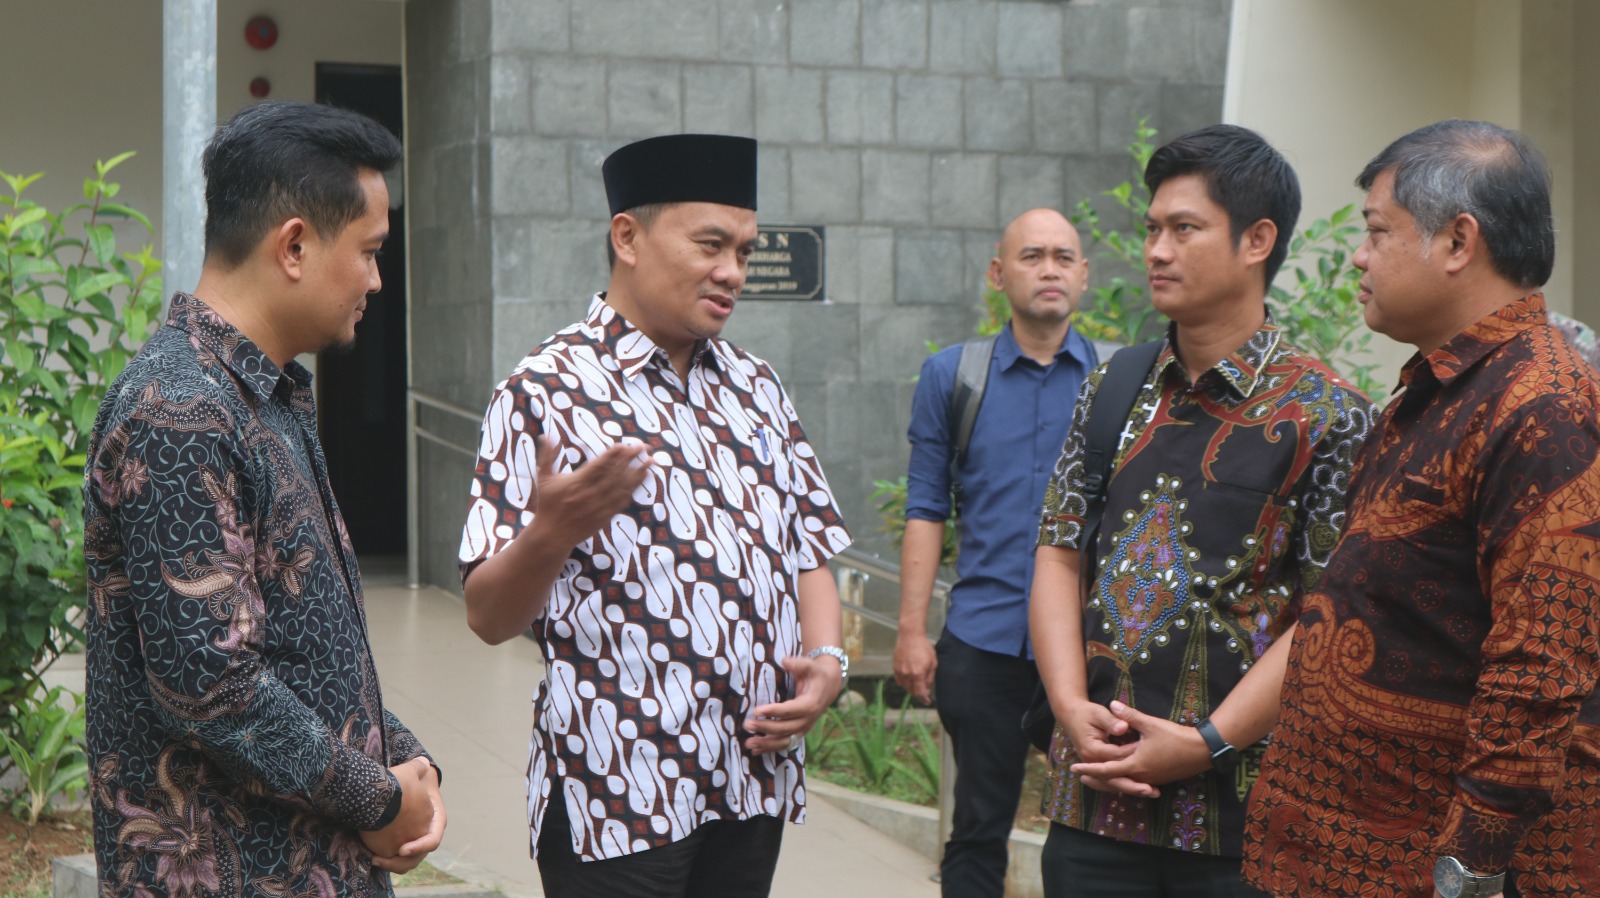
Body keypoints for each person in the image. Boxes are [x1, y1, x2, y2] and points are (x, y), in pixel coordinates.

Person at [457, 133, 853, 898]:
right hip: (616, 786)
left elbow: (809, 550)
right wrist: (551, 533)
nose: (732, 271)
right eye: (711, 244)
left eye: (744, 251)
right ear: (628, 237)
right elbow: (486, 617)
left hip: (749, 778)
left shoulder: (757, 388)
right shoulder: (544, 391)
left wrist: (828, 662)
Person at [82, 100, 444, 898]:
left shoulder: (265, 397)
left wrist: (404, 760)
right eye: (370, 252)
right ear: (295, 246)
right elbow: (212, 688)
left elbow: (299, 644)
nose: (377, 280)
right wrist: (381, 797)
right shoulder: (180, 410)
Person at [1243, 121, 1600, 898]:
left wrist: (1469, 870)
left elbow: (1541, 667)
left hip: (1422, 870)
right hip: (1336, 857)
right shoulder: (1443, 390)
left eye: (1378, 231)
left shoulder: (1541, 407)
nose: (1359, 256)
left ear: (1458, 242)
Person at [1027, 124, 1376, 897]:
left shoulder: (1329, 414)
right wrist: (1068, 706)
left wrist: (1206, 741)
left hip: (1242, 825)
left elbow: (1327, 613)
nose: (1157, 250)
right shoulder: (1113, 386)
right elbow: (1058, 551)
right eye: (1152, 229)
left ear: (1257, 240)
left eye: (1184, 229)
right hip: (1093, 806)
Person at [894, 208, 1097, 897]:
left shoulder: (1120, 378)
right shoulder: (954, 376)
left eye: (1063, 257)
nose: (1049, 270)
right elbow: (926, 505)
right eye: (1032, 256)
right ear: (998, 273)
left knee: (1096, 836)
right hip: (985, 644)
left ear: (1083, 275)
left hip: (1090, 649)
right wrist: (911, 631)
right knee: (978, 830)